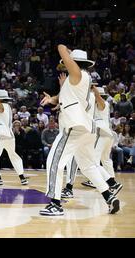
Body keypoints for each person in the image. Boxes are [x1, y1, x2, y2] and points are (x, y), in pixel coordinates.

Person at [39, 46, 120, 216]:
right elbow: (62, 98)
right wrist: (52, 99)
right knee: (88, 165)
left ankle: (55, 204)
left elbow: (60, 47)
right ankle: (109, 197)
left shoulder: (77, 74)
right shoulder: (77, 80)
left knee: (54, 161)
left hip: (74, 126)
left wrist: (66, 49)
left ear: (75, 63)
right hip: (86, 129)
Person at [62, 86, 123, 198]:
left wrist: (93, 90)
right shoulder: (94, 105)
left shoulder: (102, 103)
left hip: (101, 133)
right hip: (107, 134)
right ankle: (111, 180)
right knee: (105, 160)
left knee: (92, 162)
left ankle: (110, 183)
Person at [0, 89, 28, 186]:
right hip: (10, 136)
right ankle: (22, 178)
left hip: (1, 135)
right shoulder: (8, 106)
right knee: (13, 155)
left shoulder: (2, 106)